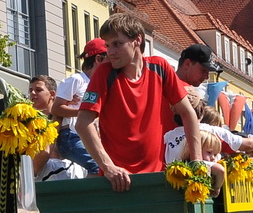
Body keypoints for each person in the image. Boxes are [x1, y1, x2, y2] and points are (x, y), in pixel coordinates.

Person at [75, 11, 203, 190]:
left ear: (137, 40)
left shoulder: (160, 67)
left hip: (158, 178)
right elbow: (82, 123)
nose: (110, 52)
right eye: (108, 45)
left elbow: (188, 113)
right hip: (118, 182)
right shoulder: (104, 73)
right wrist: (108, 167)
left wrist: (197, 161)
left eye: (117, 44)